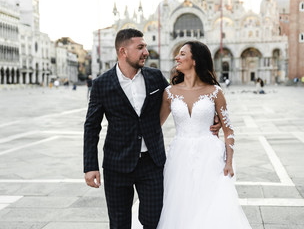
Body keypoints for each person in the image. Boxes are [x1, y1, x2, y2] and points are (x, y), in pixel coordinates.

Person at [83, 29, 220, 229]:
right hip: (117, 165)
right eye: (140, 47)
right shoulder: (101, 84)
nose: (146, 52)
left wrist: (210, 115)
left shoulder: (155, 77)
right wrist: (90, 166)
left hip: (152, 163)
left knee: (155, 220)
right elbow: (91, 126)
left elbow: (180, 98)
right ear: (123, 51)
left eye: (145, 46)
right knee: (119, 222)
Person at [158, 41, 252, 229]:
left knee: (209, 207)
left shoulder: (215, 92)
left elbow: (229, 130)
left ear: (195, 60)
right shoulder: (169, 93)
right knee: (181, 207)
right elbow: (155, 126)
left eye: (182, 54)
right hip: (179, 156)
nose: (177, 57)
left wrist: (229, 162)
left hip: (210, 156)